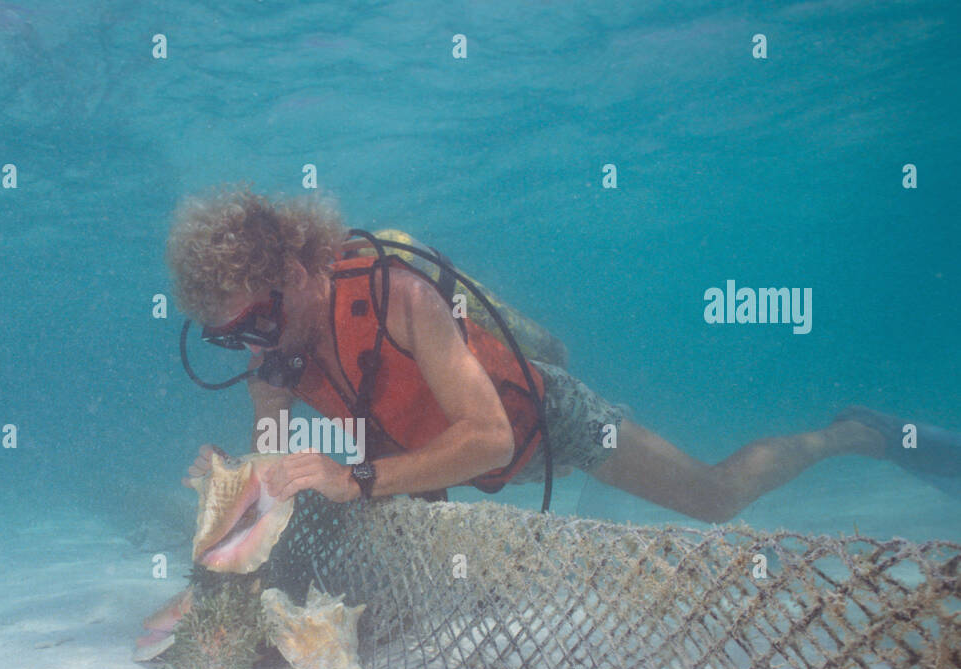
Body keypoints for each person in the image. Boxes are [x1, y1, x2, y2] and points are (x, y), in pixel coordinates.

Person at [167, 186, 958, 522]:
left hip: (544, 419)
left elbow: (490, 438)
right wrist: (237, 481)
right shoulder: (273, 352)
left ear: (300, 273)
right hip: (424, 447)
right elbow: (272, 454)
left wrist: (357, 478)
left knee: (715, 499)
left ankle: (853, 433)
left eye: (259, 321)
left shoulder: (397, 295)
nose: (252, 347)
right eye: (227, 335)